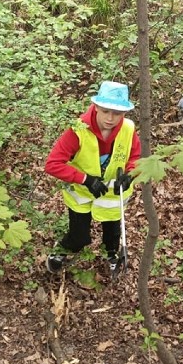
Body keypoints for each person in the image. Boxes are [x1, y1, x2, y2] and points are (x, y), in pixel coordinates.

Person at [44, 81, 142, 277]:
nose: (110, 118)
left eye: (117, 113)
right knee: (79, 237)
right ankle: (62, 250)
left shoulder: (129, 129)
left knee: (113, 234)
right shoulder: (78, 129)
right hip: (82, 194)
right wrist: (85, 179)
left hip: (113, 195)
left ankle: (111, 255)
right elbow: (53, 164)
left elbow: (135, 157)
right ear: (96, 107)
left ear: (124, 113)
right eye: (105, 111)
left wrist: (131, 174)